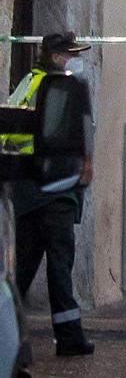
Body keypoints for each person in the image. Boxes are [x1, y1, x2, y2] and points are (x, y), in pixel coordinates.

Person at [8, 33, 96, 357]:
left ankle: (7, 336)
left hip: (30, 189)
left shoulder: (31, 82)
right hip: (55, 188)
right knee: (60, 265)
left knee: (23, 268)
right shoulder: (60, 88)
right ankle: (70, 338)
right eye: (71, 54)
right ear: (57, 56)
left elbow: (10, 125)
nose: (74, 59)